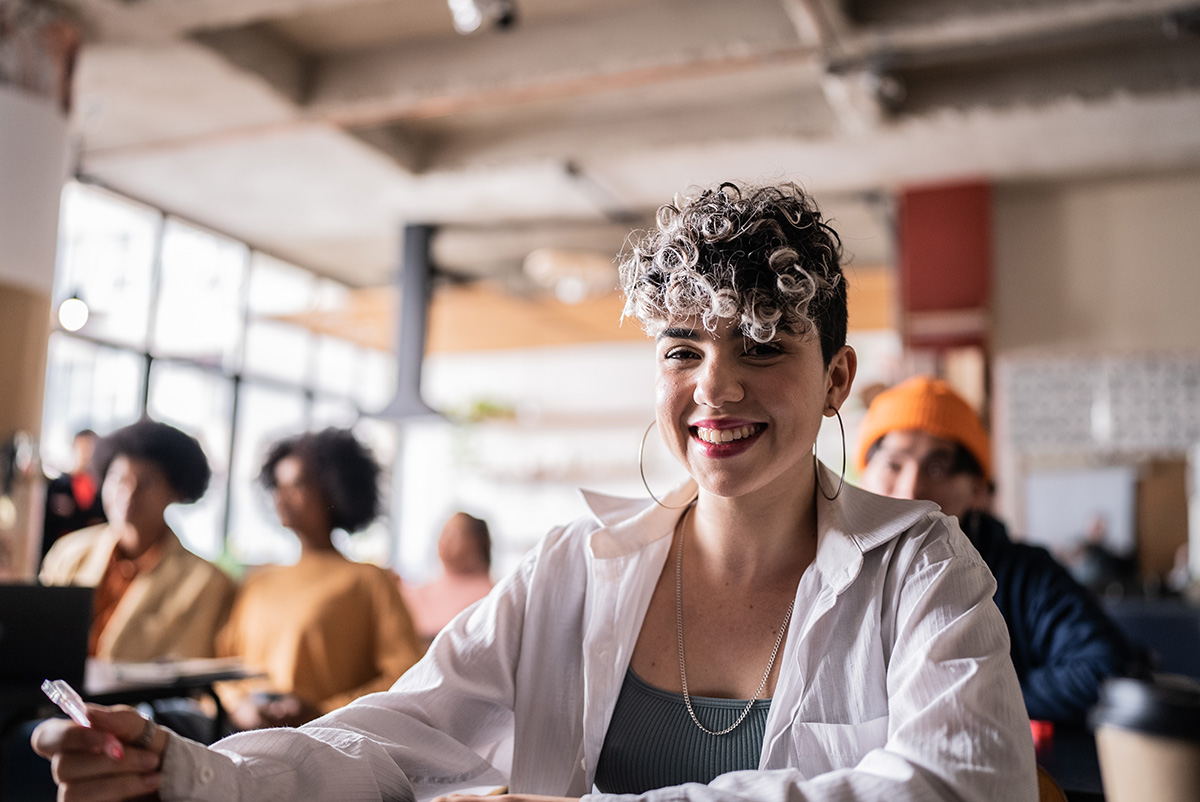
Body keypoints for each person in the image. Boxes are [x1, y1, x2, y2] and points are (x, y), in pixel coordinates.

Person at [33, 182, 1036, 801]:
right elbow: (393, 739)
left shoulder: (920, 567)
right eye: (683, 347)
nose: (716, 386)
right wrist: (186, 769)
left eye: (764, 345)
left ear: (836, 379)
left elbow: (967, 785)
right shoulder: (577, 567)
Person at [856, 375, 1144, 726]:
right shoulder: (836, 575)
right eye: (893, 464)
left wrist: (969, 700)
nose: (911, 486)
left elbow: (1105, 670)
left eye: (937, 467)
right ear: (864, 475)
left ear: (977, 489)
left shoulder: (1027, 576)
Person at [216, 427, 422, 730]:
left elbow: (404, 676)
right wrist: (239, 707)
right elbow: (223, 665)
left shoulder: (369, 581)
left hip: (327, 743)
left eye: (297, 484)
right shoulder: (257, 581)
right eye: (278, 485)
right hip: (241, 739)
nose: (282, 497)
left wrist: (324, 712)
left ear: (333, 490)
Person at [40, 418, 235, 661]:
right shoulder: (68, 553)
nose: (128, 494)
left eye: (146, 483)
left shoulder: (205, 583)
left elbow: (187, 674)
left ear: (176, 492)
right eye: (120, 480)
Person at [401, 512, 495, 645]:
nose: (446, 540)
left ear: (478, 542)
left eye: (455, 535)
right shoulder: (418, 590)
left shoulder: (489, 597)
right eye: (444, 533)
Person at [40, 428, 107, 565]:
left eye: (90, 449)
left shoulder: (104, 489)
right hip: (58, 556)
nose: (86, 454)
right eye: (82, 448)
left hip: (91, 559)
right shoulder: (58, 487)